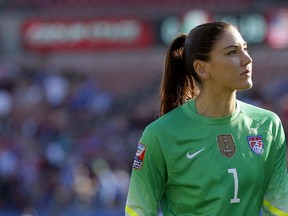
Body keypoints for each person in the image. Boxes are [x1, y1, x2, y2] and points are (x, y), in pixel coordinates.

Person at [125, 21, 288, 216]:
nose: (247, 59)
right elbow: (138, 210)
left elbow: (279, 207)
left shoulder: (268, 126)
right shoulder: (160, 134)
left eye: (245, 49)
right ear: (202, 68)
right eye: (232, 52)